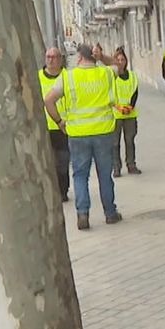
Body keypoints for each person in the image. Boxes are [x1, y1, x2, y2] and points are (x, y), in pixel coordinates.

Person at [45, 44, 122, 230]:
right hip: (103, 132)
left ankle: (82, 215)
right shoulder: (105, 73)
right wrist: (102, 56)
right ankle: (110, 213)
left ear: (79, 57)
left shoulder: (68, 77)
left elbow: (48, 100)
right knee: (105, 174)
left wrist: (59, 121)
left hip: (78, 134)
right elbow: (119, 65)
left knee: (80, 175)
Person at [39, 47, 71, 202]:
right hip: (45, 128)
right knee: (46, 163)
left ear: (60, 59)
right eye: (48, 57)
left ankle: (63, 191)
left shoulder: (67, 76)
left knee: (63, 162)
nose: (51, 60)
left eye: (54, 57)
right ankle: (50, 191)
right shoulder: (37, 77)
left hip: (63, 128)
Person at [111, 46, 141, 177]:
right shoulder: (111, 77)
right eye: (117, 60)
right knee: (114, 143)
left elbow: (135, 92)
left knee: (130, 140)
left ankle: (131, 164)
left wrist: (130, 107)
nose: (120, 62)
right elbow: (110, 94)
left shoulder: (132, 76)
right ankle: (116, 167)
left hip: (130, 114)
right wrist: (119, 107)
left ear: (126, 61)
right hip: (116, 115)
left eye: (122, 59)